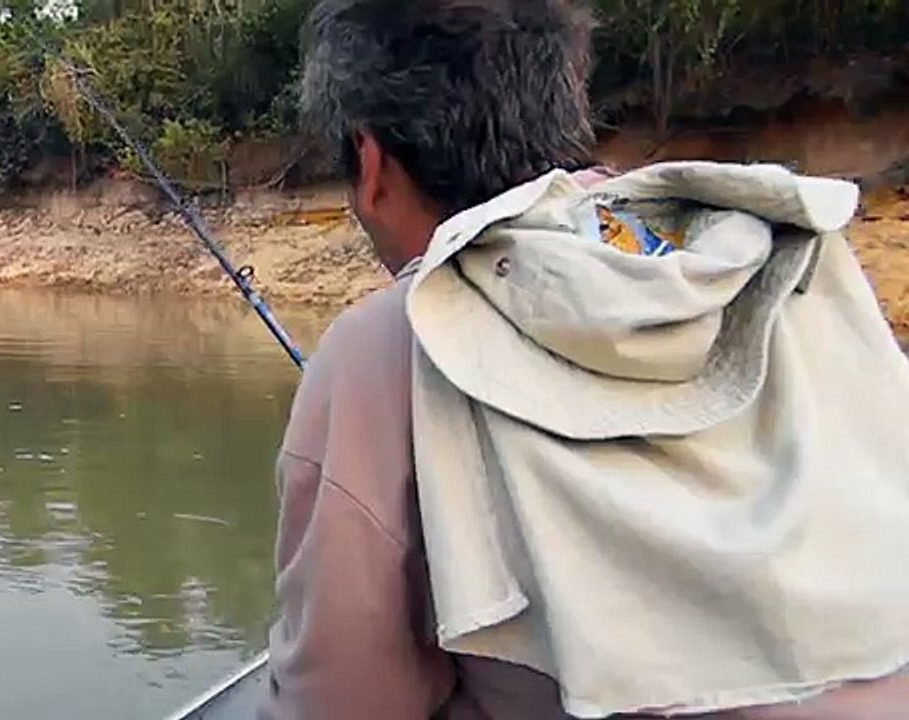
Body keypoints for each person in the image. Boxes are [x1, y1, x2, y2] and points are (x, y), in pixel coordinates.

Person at [258, 0, 909, 718]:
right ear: (565, 101)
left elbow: (343, 705)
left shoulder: (381, 347)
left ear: (372, 162)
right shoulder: (783, 258)